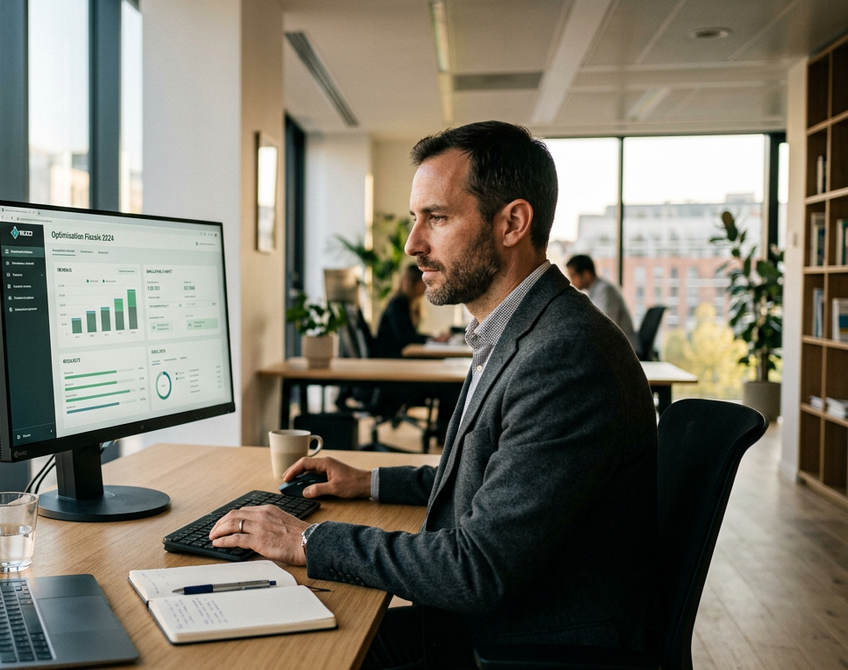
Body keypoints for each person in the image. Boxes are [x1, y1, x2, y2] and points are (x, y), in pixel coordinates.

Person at [210, 121, 658, 669]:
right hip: (489, 624)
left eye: (437, 218)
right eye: (414, 218)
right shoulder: (517, 329)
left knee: (283, 656)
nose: (412, 244)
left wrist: (307, 541)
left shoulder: (565, 355)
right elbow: (488, 480)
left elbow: (476, 568)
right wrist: (367, 481)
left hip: (520, 646)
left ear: (512, 223)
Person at [373, 263, 448, 359]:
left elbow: (409, 335)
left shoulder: (408, 304)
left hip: (397, 353)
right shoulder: (398, 304)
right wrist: (433, 339)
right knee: (436, 358)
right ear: (414, 283)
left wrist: (433, 338)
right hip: (390, 356)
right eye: (424, 283)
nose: (426, 288)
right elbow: (404, 338)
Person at [565, 254, 637, 352]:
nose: (571, 282)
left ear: (586, 274)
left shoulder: (605, 291)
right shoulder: (597, 291)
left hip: (626, 351)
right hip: (616, 348)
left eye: (573, 276)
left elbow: (603, 327)